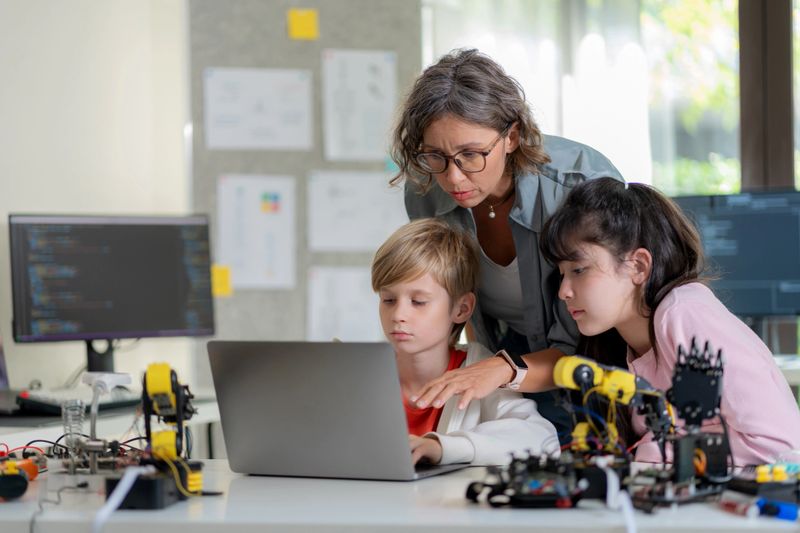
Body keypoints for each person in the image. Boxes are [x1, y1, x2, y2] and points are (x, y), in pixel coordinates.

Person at [390, 48, 623, 437]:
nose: (454, 178)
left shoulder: (579, 187)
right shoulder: (426, 193)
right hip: (508, 351)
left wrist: (504, 369)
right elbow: (457, 302)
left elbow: (602, 329)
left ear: (512, 136)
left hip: (601, 356)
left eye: (471, 154)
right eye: (436, 155)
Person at [538, 177, 800, 465]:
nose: (564, 291)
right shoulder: (615, 342)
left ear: (638, 266)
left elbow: (780, 445)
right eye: (562, 273)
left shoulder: (683, 312)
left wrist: (653, 450)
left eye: (578, 270)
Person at [371, 218, 558, 465]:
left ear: (461, 309)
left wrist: (442, 447)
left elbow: (544, 442)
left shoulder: (477, 370)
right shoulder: (364, 372)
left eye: (418, 302)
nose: (398, 315)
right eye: (388, 300)